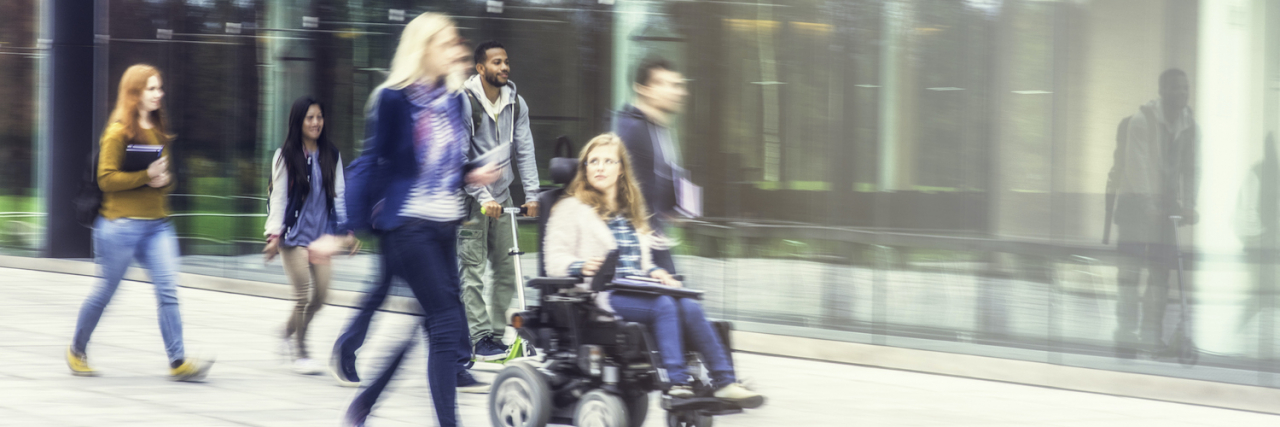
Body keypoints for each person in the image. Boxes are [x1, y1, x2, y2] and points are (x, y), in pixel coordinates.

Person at [340, 12, 501, 427]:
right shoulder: (392, 99)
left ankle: (366, 403)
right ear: (423, 48)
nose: (457, 50)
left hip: (444, 225)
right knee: (448, 324)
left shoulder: (451, 99)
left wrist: (472, 173)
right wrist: (344, 228)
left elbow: (447, 166)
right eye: (447, 43)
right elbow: (371, 163)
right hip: (407, 228)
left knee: (431, 327)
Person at [543, 133, 763, 408]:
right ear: (584, 168)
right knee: (664, 305)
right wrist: (580, 266)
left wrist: (656, 272)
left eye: (608, 161)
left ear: (621, 168)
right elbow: (554, 259)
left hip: (637, 287)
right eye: (593, 161)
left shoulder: (630, 210)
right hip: (600, 293)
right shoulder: (570, 208)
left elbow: (641, 262)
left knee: (689, 304)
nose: (599, 167)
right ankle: (677, 383)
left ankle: (724, 382)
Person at [66, 64, 213, 381]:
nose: (159, 94)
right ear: (134, 93)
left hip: (157, 225)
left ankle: (178, 362)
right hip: (120, 226)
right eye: (152, 88)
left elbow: (166, 180)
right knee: (105, 292)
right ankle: (76, 350)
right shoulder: (118, 131)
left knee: (167, 291)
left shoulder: (159, 130)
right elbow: (106, 180)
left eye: (159, 88)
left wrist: (164, 180)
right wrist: (146, 175)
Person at [458, 40, 541, 361]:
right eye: (496, 62)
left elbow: (525, 150)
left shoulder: (516, 103)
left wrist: (532, 194)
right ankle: (478, 338)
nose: (504, 67)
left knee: (508, 267)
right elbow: (461, 157)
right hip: (471, 198)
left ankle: (494, 335)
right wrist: (481, 196)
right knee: (473, 269)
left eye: (506, 61)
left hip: (503, 195)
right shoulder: (464, 102)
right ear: (480, 68)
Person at [263, 96, 357, 375]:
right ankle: (301, 350)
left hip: (321, 237)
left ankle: (287, 331)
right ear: (299, 122)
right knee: (303, 295)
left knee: (322, 296)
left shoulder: (332, 154)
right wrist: (273, 236)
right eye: (310, 118)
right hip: (293, 236)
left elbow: (339, 196)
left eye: (319, 117)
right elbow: (278, 199)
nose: (316, 123)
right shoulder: (285, 156)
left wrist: (346, 232)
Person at [1109, 68, 1200, 357]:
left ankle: (1151, 335)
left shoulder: (1190, 125)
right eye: (1176, 88)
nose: (1182, 93)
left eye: (1185, 88)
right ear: (1162, 91)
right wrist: (1148, 204)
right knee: (1130, 273)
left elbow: (1192, 169)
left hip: (1164, 207)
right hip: (1136, 204)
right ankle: (1125, 335)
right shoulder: (1142, 120)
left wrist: (1189, 204)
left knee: (1161, 273)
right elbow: (1136, 165)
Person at [613, 56, 690, 273]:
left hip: (656, 238)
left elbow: (661, 178)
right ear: (643, 89)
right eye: (667, 84)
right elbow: (616, 188)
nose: (678, 92)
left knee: (682, 303)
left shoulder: (659, 128)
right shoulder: (631, 130)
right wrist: (643, 229)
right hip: (638, 245)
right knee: (674, 303)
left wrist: (674, 208)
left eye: (678, 85)